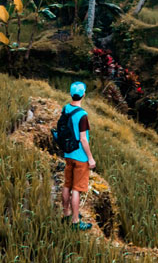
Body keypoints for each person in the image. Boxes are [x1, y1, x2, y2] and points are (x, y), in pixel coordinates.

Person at [60, 81, 95, 231]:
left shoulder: (66, 108)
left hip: (68, 153)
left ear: (70, 94)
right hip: (80, 157)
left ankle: (66, 213)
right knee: (76, 189)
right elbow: (83, 139)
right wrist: (90, 158)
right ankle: (75, 221)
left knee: (67, 184)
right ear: (83, 95)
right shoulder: (83, 115)